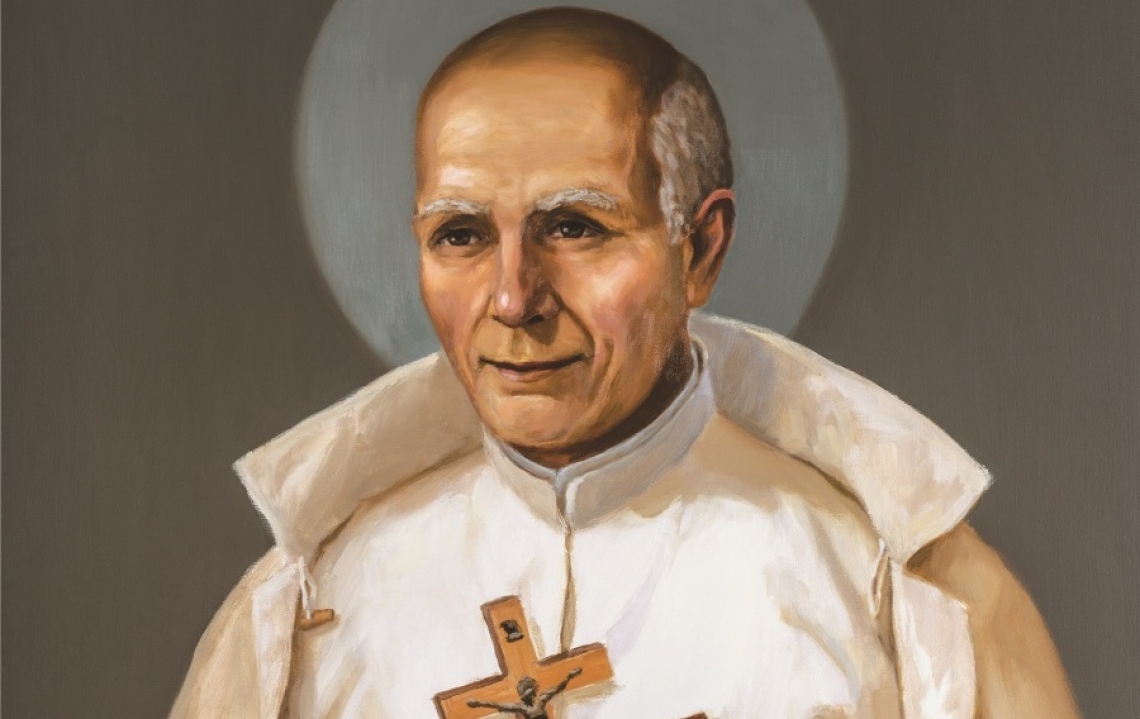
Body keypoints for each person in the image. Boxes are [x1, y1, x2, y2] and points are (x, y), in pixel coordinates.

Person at [172, 8, 1079, 718]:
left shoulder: (898, 598)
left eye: (575, 227)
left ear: (701, 249)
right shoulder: (305, 608)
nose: (514, 298)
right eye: (461, 234)